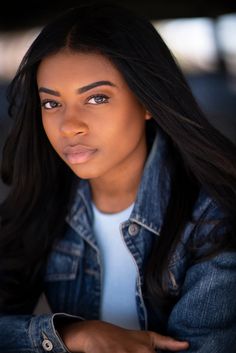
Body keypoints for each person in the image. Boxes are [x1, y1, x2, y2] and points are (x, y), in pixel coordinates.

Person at [0, 1, 235, 352]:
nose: (70, 126)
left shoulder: (212, 221)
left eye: (96, 98)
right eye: (52, 103)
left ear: (147, 101)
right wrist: (73, 335)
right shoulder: (45, 204)